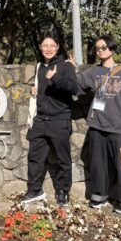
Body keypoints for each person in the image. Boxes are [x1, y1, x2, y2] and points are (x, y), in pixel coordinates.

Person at [77, 35, 121, 214]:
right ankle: (98, 196)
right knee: (97, 164)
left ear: (112, 49)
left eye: (103, 47)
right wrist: (68, 69)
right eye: (97, 48)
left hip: (119, 126)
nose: (100, 51)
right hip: (97, 125)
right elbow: (77, 86)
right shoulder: (93, 72)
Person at [21, 33, 80, 207]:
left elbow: (74, 88)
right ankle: (35, 190)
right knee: (35, 157)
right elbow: (44, 91)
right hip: (40, 119)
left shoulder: (66, 66)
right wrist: (35, 91)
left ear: (58, 47)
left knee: (63, 158)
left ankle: (63, 192)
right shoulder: (40, 66)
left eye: (52, 45)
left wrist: (55, 77)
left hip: (59, 119)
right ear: (40, 47)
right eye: (45, 46)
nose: (48, 49)